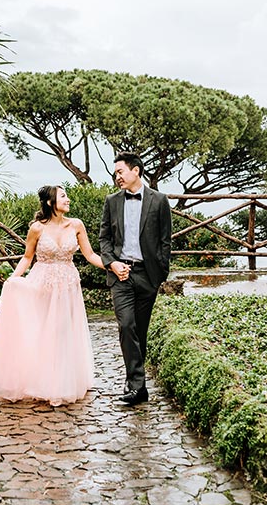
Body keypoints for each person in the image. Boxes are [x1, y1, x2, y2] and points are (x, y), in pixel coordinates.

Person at [0, 185, 106, 406]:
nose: (68, 199)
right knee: (42, 332)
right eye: (63, 196)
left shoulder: (76, 225)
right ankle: (40, 380)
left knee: (63, 332)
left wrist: (111, 266)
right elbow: (27, 257)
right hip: (42, 284)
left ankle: (60, 383)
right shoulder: (37, 229)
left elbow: (90, 255)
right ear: (51, 203)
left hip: (68, 285)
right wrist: (14, 278)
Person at [99, 152, 172, 406]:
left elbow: (165, 241)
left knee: (140, 331)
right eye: (116, 173)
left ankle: (136, 383)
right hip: (120, 275)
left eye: (120, 171)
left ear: (136, 171)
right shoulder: (111, 201)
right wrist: (112, 263)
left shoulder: (160, 201)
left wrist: (159, 275)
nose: (117, 176)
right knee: (126, 325)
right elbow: (105, 239)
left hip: (147, 276)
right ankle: (136, 385)